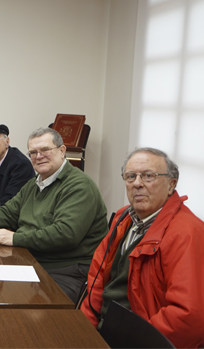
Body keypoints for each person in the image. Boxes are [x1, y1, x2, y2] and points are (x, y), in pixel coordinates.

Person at [0, 127, 108, 303]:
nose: (38, 156)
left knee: (33, 317)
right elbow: (9, 211)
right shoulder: (36, 182)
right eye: (33, 152)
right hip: (33, 258)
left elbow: (65, 234)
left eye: (45, 150)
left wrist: (15, 238)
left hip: (67, 270)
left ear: (62, 151)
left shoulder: (79, 186)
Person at [81, 148, 204, 348]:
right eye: (130, 176)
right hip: (105, 331)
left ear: (171, 185)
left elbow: (189, 316)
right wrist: (84, 330)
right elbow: (97, 279)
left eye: (148, 176)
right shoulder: (124, 217)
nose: (137, 183)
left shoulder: (187, 233)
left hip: (140, 340)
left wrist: (134, 340)